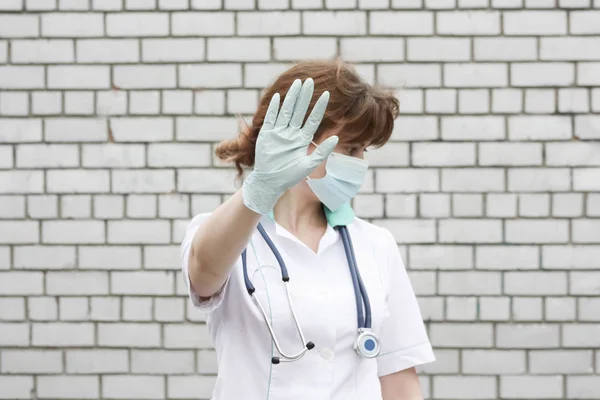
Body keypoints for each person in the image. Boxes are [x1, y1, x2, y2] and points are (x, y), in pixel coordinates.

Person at [180, 58, 435, 400]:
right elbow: (204, 270)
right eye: (351, 149)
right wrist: (258, 190)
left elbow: (399, 379)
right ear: (297, 139)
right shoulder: (228, 234)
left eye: (363, 151)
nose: (360, 164)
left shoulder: (376, 245)